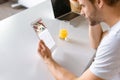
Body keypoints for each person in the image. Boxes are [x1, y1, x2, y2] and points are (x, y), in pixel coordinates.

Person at [38, 0, 120, 80]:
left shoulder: (115, 39)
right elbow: (96, 43)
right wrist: (92, 13)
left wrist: (48, 59)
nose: (81, 12)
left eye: (83, 6)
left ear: (99, 2)